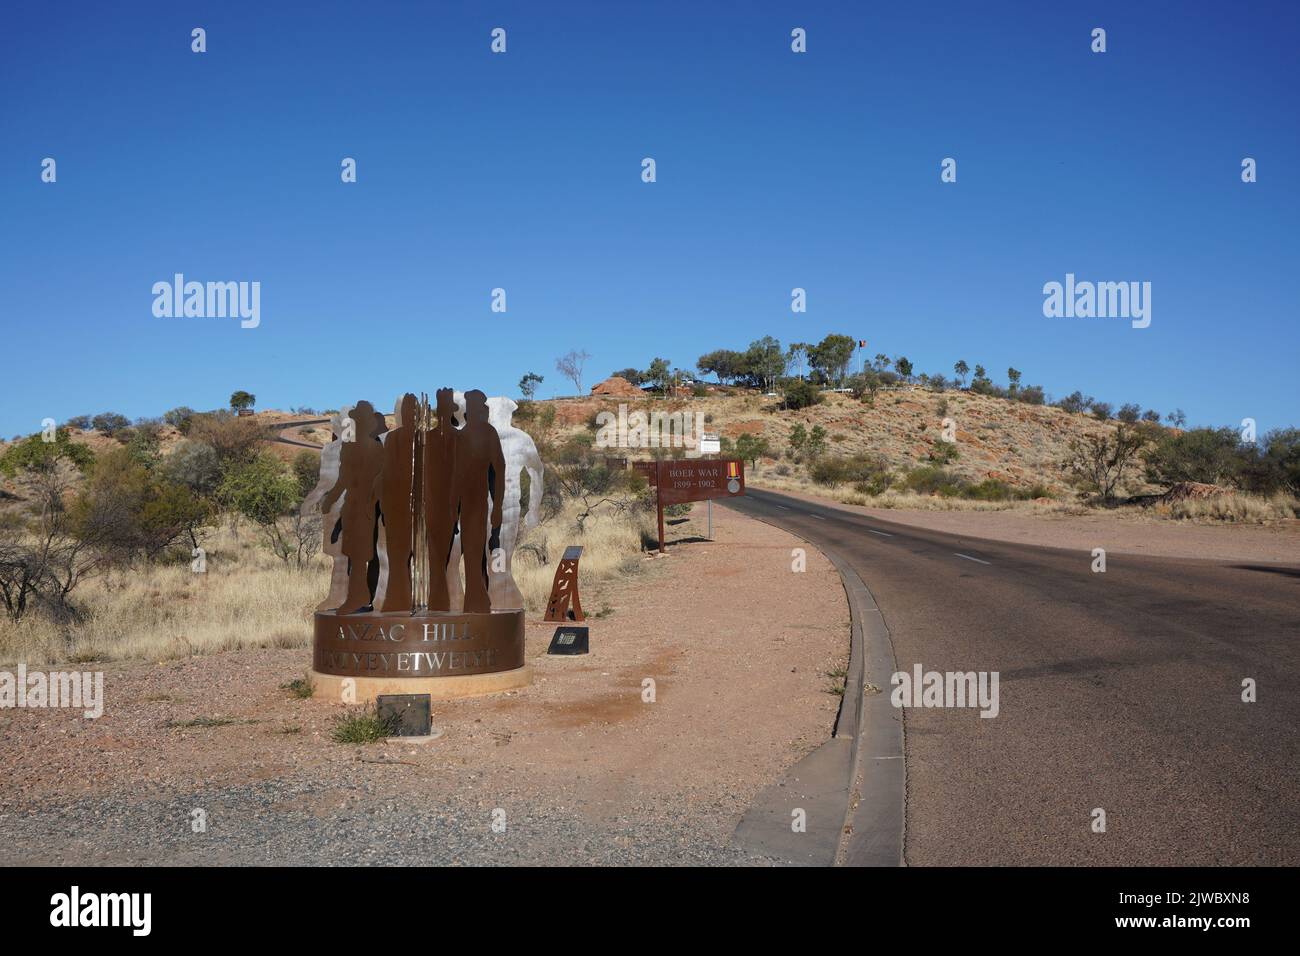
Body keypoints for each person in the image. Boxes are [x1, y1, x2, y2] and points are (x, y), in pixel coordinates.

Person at [320, 401, 384, 613]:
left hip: (367, 508)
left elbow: (379, 481)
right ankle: (358, 597)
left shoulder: (375, 447)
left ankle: (364, 598)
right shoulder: (352, 447)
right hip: (354, 507)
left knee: (365, 555)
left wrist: (371, 503)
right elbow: (344, 478)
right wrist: (331, 500)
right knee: (355, 555)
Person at [451, 390, 505, 613]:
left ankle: (478, 595)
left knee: (476, 549)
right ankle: (475, 596)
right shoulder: (462, 436)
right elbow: (453, 476)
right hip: (467, 502)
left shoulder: (486, 433)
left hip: (477, 502)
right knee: (471, 551)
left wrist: (498, 507)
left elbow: (499, 471)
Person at [376, 393, 419, 612]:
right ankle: (396, 598)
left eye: (413, 410)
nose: (409, 415)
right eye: (405, 410)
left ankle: (416, 599)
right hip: (396, 506)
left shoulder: (424, 438)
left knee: (419, 556)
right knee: (396, 555)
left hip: (421, 508)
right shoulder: (391, 439)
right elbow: (384, 474)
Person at [422, 389, 459, 611]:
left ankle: (445, 596)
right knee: (433, 550)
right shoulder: (428, 438)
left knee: (447, 552)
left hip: (451, 503)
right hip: (432, 501)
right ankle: (436, 595)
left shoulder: (457, 438)